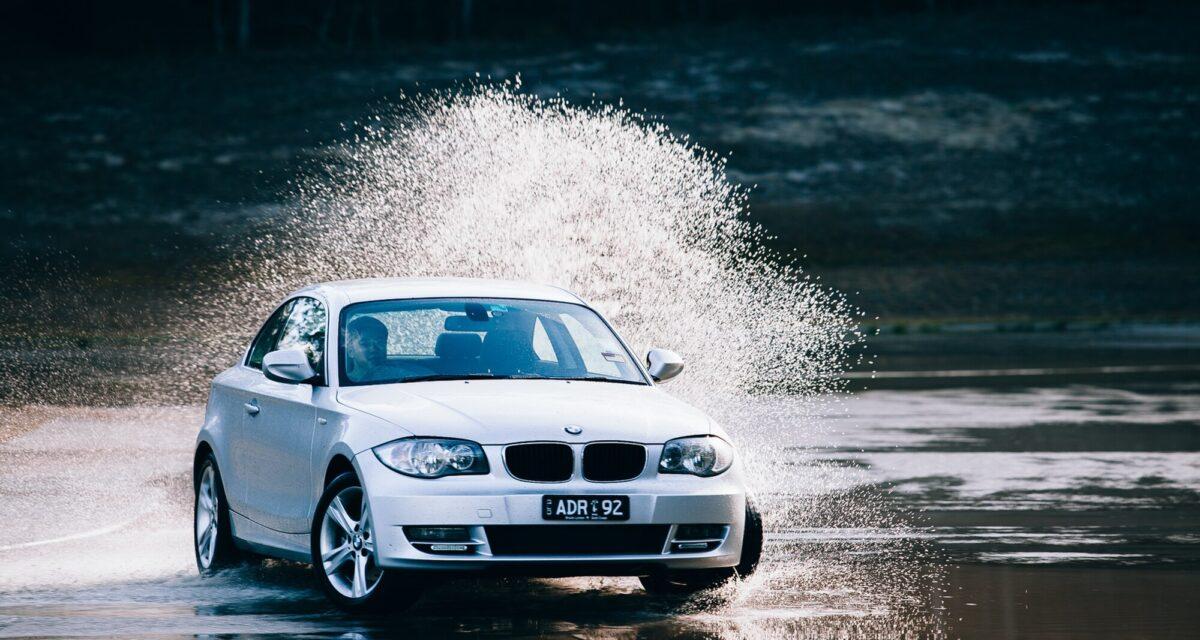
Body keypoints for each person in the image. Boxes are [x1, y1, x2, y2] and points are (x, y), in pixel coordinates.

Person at [343, 315, 389, 382]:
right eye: (365, 344)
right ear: (350, 351)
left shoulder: (399, 375)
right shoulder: (345, 382)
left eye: (379, 342)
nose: (373, 349)